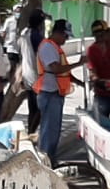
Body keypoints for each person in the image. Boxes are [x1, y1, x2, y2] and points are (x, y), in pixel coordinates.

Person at [34, 19, 82, 165]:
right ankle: (46, 161)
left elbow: (64, 72)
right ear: (57, 33)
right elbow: (55, 69)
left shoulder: (55, 48)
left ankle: (50, 158)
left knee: (53, 130)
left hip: (56, 93)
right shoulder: (48, 47)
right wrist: (79, 63)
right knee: (49, 130)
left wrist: (80, 83)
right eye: (65, 36)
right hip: (49, 93)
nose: (66, 40)